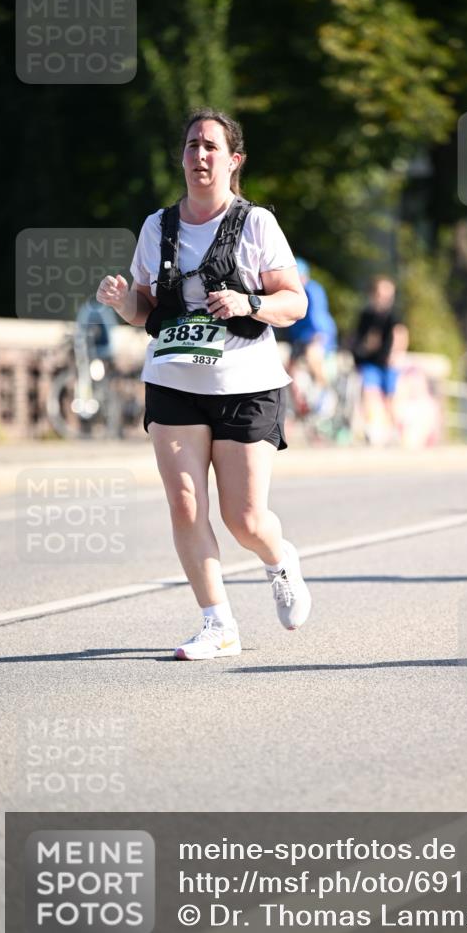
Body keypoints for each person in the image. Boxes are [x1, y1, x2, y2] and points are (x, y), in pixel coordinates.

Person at [97, 107, 311, 660]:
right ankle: (219, 624)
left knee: (243, 518)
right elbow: (147, 310)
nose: (200, 155)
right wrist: (125, 302)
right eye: (192, 146)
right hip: (173, 378)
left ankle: (278, 557)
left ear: (233, 160)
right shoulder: (157, 227)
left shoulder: (257, 223)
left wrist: (250, 301)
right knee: (186, 503)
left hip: (245, 380)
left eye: (212, 146)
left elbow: (295, 301)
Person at [351, 275, 408, 443]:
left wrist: (397, 354)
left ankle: (397, 431)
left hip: (388, 362)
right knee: (368, 393)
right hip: (370, 362)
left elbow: (400, 334)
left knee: (390, 398)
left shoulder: (393, 315)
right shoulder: (366, 315)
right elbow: (358, 337)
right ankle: (370, 428)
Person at [282, 258, 338, 418]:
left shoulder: (313, 290)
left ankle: (325, 393)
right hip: (300, 338)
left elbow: (318, 317)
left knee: (313, 355)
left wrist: (317, 338)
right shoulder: (289, 293)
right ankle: (299, 404)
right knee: (289, 370)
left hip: (318, 335)